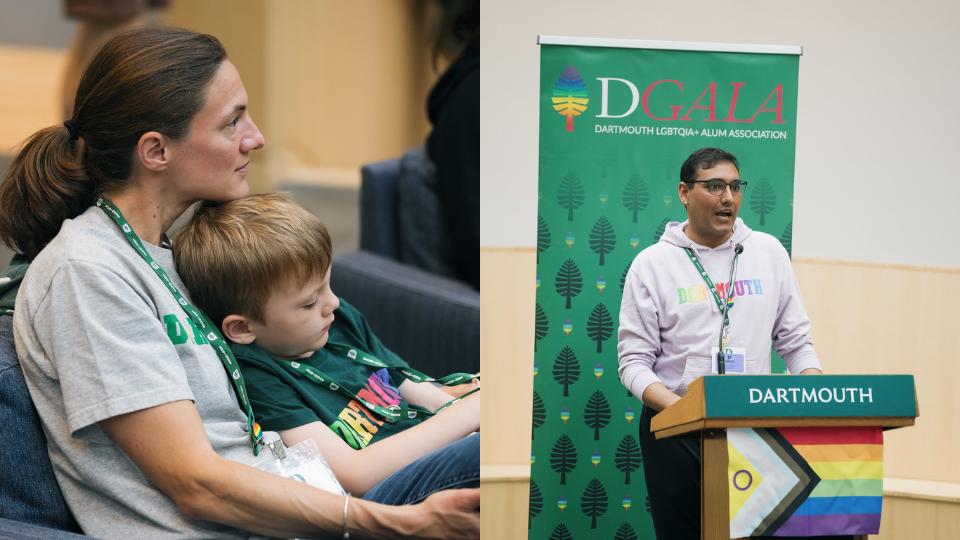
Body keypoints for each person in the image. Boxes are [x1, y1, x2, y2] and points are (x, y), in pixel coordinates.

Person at [0, 25, 478, 540]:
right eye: (232, 123)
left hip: (304, 501)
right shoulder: (87, 273)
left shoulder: (168, 254)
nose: (256, 136)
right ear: (156, 151)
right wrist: (396, 523)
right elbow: (195, 483)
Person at [171, 192, 480, 499]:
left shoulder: (337, 318)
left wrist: (460, 409)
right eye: (309, 302)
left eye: (328, 285)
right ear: (242, 328)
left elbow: (408, 386)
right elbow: (353, 476)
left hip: (429, 444)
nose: (332, 303)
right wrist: (466, 416)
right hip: (378, 496)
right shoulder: (260, 377)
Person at [617, 147, 822, 540]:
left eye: (734, 186)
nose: (728, 197)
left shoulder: (768, 253)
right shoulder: (652, 264)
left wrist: (811, 397)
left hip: (755, 428)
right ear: (684, 192)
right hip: (676, 432)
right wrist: (687, 412)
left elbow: (796, 343)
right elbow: (633, 364)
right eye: (714, 186)